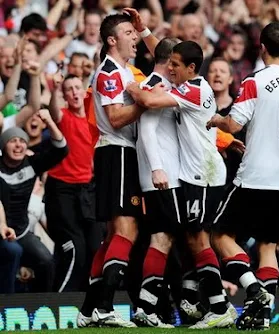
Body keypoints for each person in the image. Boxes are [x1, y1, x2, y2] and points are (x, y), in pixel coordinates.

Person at [206, 22, 279, 330]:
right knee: (267, 245)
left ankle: (255, 290)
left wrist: (214, 119)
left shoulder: (255, 80)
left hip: (255, 177)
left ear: (261, 48)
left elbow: (233, 125)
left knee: (220, 236)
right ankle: (263, 317)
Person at [126, 40, 233, 329]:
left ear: (191, 68)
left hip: (202, 176)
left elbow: (148, 102)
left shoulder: (190, 89)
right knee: (182, 238)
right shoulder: (175, 85)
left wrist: (132, 85)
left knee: (193, 239)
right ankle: (198, 302)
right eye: (169, 62)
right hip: (186, 176)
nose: (170, 68)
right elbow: (164, 56)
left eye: (176, 64)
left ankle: (218, 306)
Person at [77, 13, 144, 328]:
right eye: (128, 32)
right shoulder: (109, 72)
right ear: (111, 40)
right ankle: (104, 307)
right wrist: (145, 103)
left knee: (111, 238)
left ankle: (89, 309)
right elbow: (116, 118)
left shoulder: (121, 71)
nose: (135, 37)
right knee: (125, 231)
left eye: (134, 32)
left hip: (119, 153)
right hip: (115, 151)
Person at [130, 37, 184, 329]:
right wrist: (158, 169)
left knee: (168, 239)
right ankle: (147, 307)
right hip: (161, 177)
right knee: (162, 239)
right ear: (171, 60)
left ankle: (151, 306)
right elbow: (147, 131)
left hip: (168, 174)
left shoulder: (163, 86)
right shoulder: (155, 86)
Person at [0, 112, 68, 293]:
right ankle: (6, 306)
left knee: (46, 261)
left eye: (22, 141)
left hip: (21, 232)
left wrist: (49, 122)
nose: (18, 145)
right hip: (2, 231)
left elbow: (61, 149)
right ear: (3, 145)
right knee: (12, 253)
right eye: (12, 140)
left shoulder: (32, 164)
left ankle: (41, 307)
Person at [46, 73, 100, 293]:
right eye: (69, 89)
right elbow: (52, 111)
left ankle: (92, 302)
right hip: (62, 190)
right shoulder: (63, 116)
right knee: (75, 248)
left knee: (96, 247)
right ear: (65, 95)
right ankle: (62, 300)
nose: (74, 92)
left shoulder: (93, 120)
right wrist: (54, 90)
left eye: (77, 87)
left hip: (88, 189)